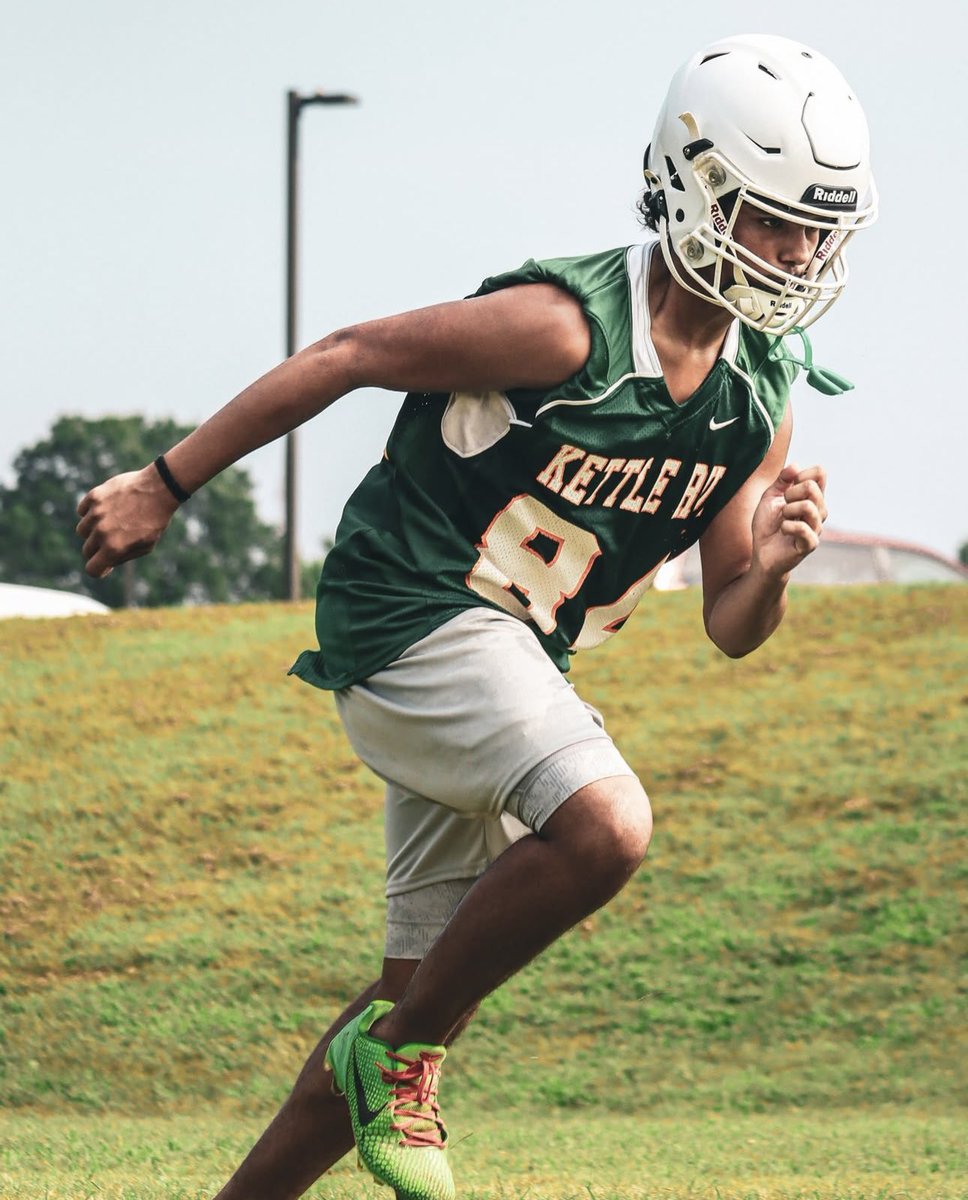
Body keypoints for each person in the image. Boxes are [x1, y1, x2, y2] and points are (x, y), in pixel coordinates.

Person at [76, 32, 876, 1200]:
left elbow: (727, 623)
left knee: (405, 986)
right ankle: (400, 1057)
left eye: (816, 226)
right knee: (605, 826)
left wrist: (774, 564)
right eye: (769, 217)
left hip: (504, 659)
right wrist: (165, 481)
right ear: (693, 184)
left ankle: (341, 1096)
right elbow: (347, 352)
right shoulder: (562, 327)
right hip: (410, 613)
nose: (796, 250)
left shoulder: (758, 402)